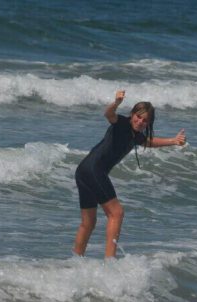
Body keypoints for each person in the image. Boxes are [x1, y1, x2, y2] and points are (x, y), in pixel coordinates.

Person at [73, 90, 186, 258]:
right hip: (93, 170)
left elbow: (149, 142)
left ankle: (76, 260)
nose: (140, 122)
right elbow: (108, 114)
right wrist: (117, 103)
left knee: (88, 223)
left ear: (148, 124)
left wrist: (173, 141)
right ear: (132, 114)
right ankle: (110, 262)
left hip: (83, 171)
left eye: (145, 120)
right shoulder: (122, 123)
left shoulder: (136, 135)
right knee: (116, 213)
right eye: (138, 117)